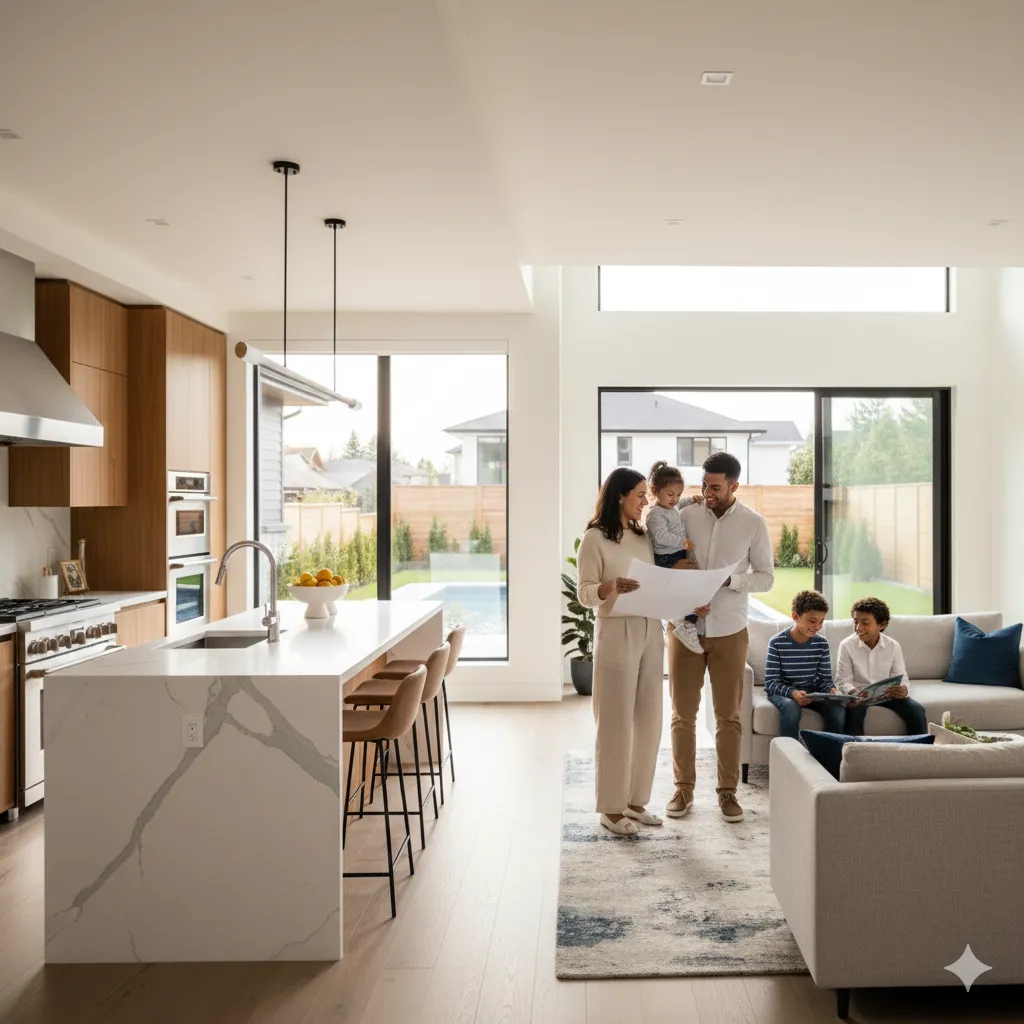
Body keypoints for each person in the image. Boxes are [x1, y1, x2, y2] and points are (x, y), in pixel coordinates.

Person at [666, 451, 774, 824]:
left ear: (734, 485)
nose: (707, 493)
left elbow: (766, 577)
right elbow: (664, 551)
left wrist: (731, 580)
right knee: (682, 715)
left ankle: (728, 793)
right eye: (704, 485)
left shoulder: (753, 524)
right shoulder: (685, 515)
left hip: (730, 630)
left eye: (715, 487)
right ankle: (683, 788)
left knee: (728, 717)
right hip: (684, 630)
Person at [577, 468, 666, 836]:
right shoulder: (594, 539)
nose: (645, 501)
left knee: (649, 720)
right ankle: (611, 809)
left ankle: (635, 802)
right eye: (640, 495)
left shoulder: (644, 537)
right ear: (619, 496)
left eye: (646, 495)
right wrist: (611, 586)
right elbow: (585, 594)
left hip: (650, 628)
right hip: (615, 630)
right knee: (614, 722)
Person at [836, 597, 928, 735]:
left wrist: (903, 690)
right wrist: (853, 693)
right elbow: (843, 681)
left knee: (916, 710)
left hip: (887, 696)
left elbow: (902, 679)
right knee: (854, 713)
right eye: (856, 622)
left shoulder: (893, 646)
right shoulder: (847, 646)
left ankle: (920, 751)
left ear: (882, 625)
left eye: (865, 623)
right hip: (859, 698)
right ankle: (856, 753)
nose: (858, 628)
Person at [764, 590, 847, 739]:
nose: (817, 626)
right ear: (795, 617)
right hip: (784, 692)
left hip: (812, 692)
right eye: (812, 620)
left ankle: (830, 756)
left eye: (821, 621)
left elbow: (824, 680)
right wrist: (793, 693)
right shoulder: (777, 642)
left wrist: (834, 691)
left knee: (838, 710)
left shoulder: (822, 644)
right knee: (790, 708)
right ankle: (788, 756)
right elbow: (771, 683)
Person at [644, 460, 703, 655]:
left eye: (678, 494)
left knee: (692, 589)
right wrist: (682, 542)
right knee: (683, 590)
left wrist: (691, 499)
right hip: (666, 558)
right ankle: (683, 623)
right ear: (655, 490)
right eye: (670, 494)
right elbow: (660, 536)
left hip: (675, 554)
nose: (675, 499)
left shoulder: (670, 507)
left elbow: (679, 505)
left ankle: (685, 621)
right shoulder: (655, 515)